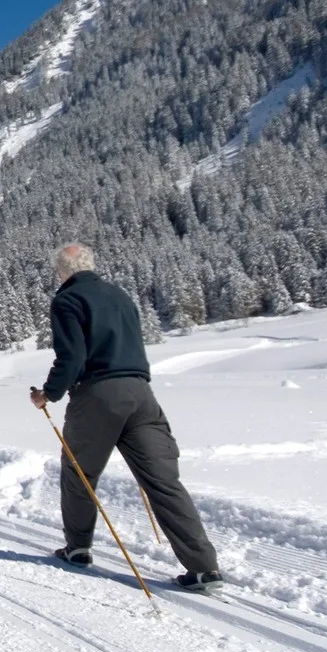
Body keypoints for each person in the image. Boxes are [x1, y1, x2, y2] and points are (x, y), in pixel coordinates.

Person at [31, 243, 223, 592]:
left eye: (57, 272)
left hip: (98, 395)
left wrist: (49, 393)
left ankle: (78, 549)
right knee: (163, 481)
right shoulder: (120, 296)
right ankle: (204, 568)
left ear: (62, 272)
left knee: (79, 472)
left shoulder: (66, 301)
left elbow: (71, 356)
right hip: (141, 393)